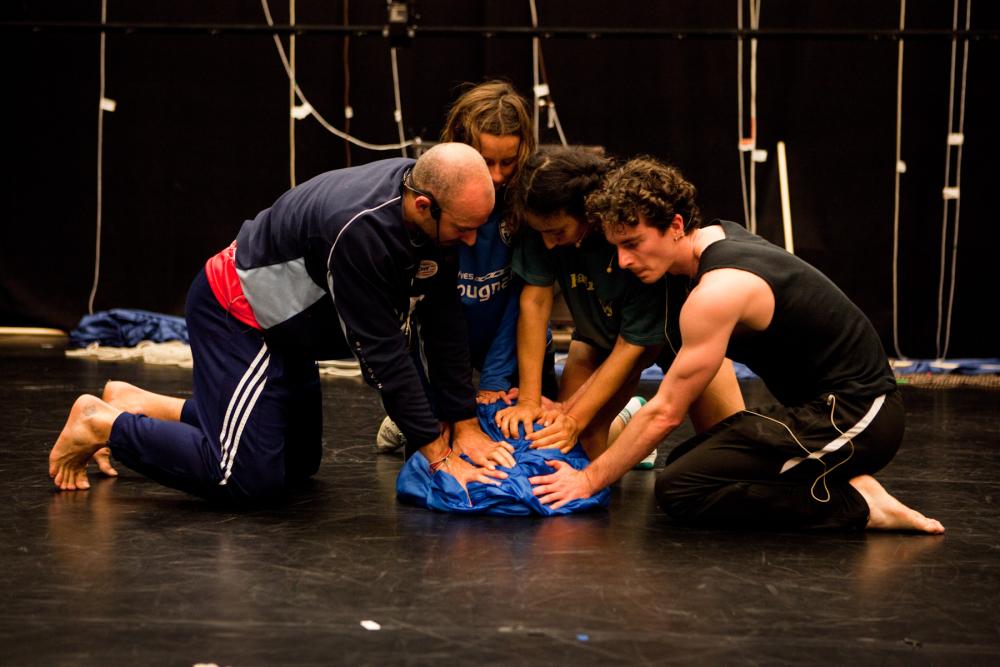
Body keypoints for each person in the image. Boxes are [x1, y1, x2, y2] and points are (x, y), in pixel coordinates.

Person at [48, 143, 516, 502]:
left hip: (293, 328)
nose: (472, 241)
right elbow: (384, 355)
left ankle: (141, 405)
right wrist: (438, 452)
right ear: (422, 205)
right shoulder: (360, 233)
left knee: (296, 464)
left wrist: (464, 421)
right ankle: (102, 424)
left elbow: (444, 318)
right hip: (240, 315)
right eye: (464, 228)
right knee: (241, 476)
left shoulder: (437, 206)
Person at [530, 156, 945, 534]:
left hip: (861, 415)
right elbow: (640, 357)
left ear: (675, 226)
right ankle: (835, 476)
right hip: (812, 412)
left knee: (681, 489)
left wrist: (586, 479)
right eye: (616, 246)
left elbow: (666, 413)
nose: (622, 261)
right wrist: (571, 412)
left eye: (633, 243)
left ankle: (858, 504)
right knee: (690, 467)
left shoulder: (718, 289)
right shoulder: (711, 240)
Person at [496, 147, 744, 465]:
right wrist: (530, 399)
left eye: (557, 233)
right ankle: (628, 417)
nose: (548, 242)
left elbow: (633, 346)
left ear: (587, 212)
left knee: (727, 450)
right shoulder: (543, 222)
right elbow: (534, 300)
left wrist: (575, 416)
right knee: (572, 445)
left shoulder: (626, 238)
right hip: (599, 338)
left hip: (682, 341)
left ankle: (628, 422)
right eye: (542, 233)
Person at [376, 80, 558, 452]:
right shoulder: (431, 198)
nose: (495, 175)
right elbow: (423, 316)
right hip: (445, 335)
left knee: (539, 434)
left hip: (510, 336)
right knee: (437, 442)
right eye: (485, 161)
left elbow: (527, 302)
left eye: (507, 162)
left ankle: (620, 419)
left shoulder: (527, 202)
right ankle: (408, 417)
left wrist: (494, 379)